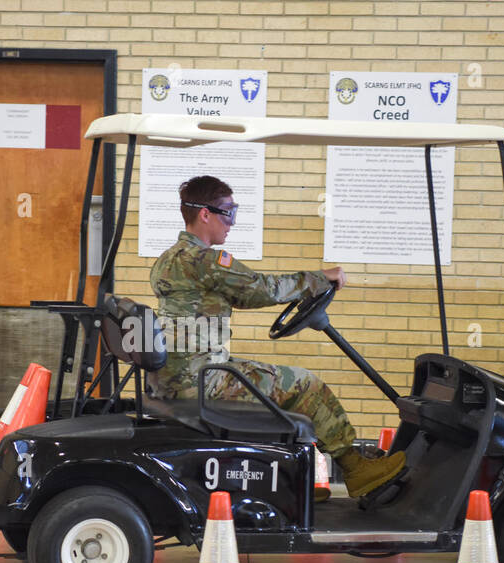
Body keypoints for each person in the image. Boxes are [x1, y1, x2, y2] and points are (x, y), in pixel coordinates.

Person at [148, 175, 405, 500]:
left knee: (277, 380)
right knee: (304, 384)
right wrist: (318, 278)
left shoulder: (169, 259)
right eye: (228, 213)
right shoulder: (205, 261)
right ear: (204, 214)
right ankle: (355, 467)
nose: (231, 223)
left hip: (180, 377)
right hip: (203, 381)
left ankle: (291, 481)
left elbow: (244, 295)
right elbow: (261, 288)